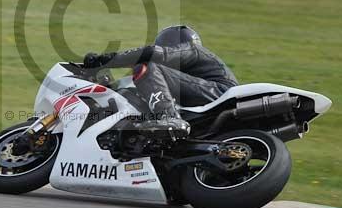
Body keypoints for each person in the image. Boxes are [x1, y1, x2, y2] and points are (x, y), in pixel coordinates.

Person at [83, 25, 238, 135]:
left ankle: (169, 118)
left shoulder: (193, 49)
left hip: (220, 93)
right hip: (212, 98)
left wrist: (104, 60)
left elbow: (154, 54)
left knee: (146, 67)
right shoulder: (179, 74)